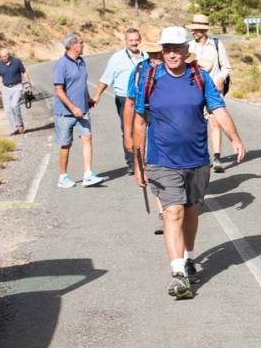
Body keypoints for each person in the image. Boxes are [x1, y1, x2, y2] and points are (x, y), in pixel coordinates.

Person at [133, 26, 246, 299]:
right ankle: (177, 273)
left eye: (177, 48)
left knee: (191, 211)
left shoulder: (200, 77)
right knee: (173, 212)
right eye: (167, 49)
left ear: (187, 51)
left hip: (196, 158)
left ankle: (189, 256)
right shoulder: (150, 79)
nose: (172, 54)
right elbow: (140, 122)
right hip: (162, 159)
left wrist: (235, 138)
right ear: (162, 51)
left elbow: (218, 108)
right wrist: (138, 162)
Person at [52, 33, 105, 188]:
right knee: (65, 144)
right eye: (81, 43)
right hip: (65, 113)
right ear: (73, 45)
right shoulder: (61, 64)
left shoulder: (82, 62)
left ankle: (88, 174)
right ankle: (63, 177)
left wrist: (87, 98)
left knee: (87, 137)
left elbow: (82, 83)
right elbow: (58, 90)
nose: (83, 45)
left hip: (82, 110)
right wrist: (73, 107)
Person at [124, 39, 165, 235]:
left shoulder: (171, 69)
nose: (157, 57)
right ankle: (163, 213)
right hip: (146, 124)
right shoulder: (139, 71)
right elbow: (130, 104)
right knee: (152, 167)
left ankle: (176, 207)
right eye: (153, 54)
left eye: (160, 52)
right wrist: (128, 135)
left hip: (168, 126)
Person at [92, 28, 147, 172]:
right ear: (126, 41)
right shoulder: (117, 58)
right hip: (124, 98)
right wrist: (97, 95)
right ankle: (131, 162)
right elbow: (106, 78)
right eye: (131, 40)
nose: (134, 43)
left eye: (136, 40)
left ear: (139, 40)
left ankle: (142, 158)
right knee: (127, 129)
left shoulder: (146, 57)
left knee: (142, 127)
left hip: (143, 98)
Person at [186, 14, 231, 173]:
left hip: (213, 90)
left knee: (215, 122)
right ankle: (200, 155)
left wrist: (220, 78)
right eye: (193, 30)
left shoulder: (217, 45)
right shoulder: (189, 47)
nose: (193, 32)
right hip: (194, 90)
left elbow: (226, 67)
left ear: (203, 30)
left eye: (196, 30)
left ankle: (217, 157)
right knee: (197, 124)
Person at [0, 48, 32, 136]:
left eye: (5, 56)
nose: (4, 58)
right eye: (2, 57)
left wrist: (28, 85)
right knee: (7, 109)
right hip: (6, 88)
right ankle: (14, 128)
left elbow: (24, 72)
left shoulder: (17, 62)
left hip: (17, 86)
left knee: (14, 105)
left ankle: (20, 124)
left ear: (8, 55)